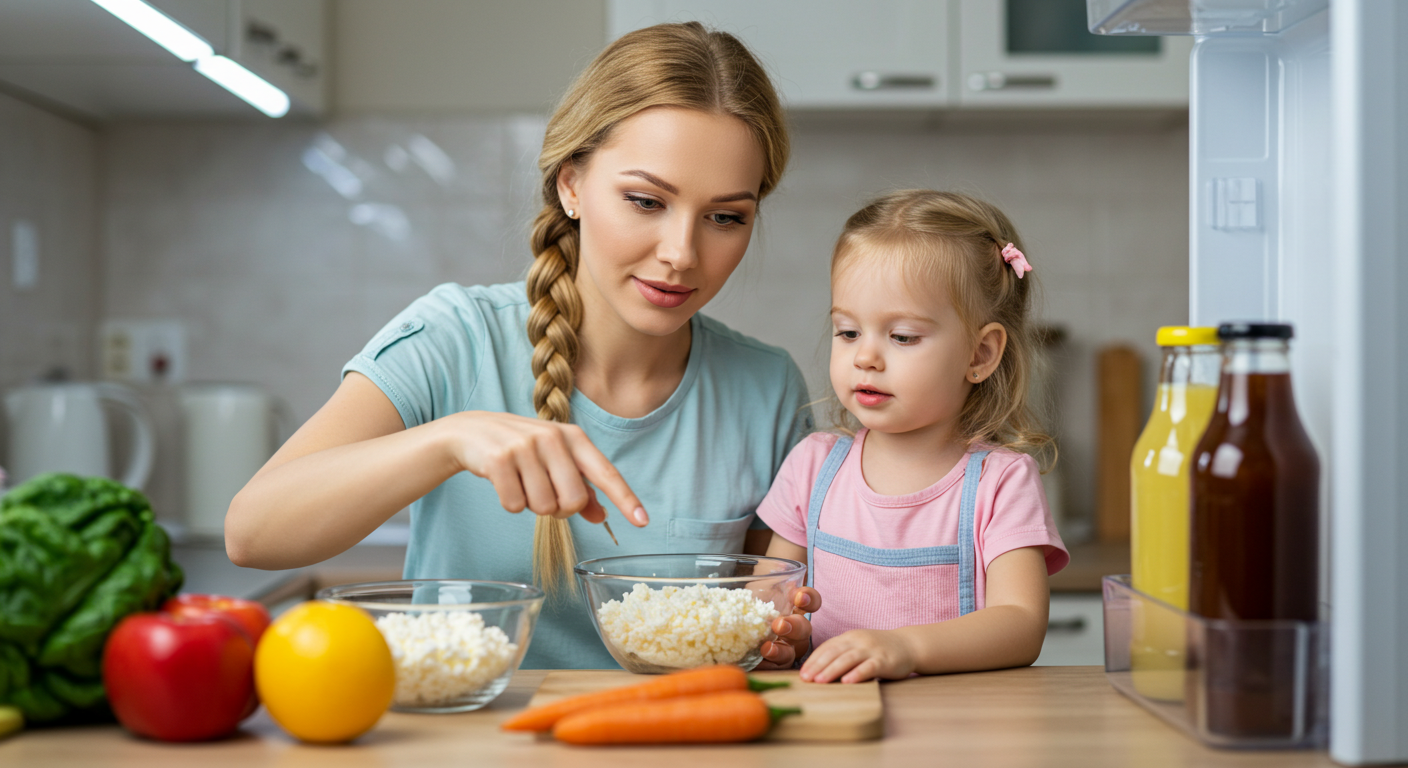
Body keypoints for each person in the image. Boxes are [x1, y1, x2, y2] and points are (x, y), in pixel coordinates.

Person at [225, 22, 821, 669]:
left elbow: (765, 616)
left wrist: (784, 637)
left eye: (725, 217)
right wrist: (450, 440)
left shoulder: (768, 389)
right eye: (646, 201)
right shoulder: (455, 337)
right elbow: (253, 532)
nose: (681, 253)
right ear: (571, 185)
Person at [756, 190, 1069, 684]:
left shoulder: (1001, 482)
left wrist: (904, 647)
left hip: (955, 720)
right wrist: (779, 636)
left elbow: (1021, 624)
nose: (865, 357)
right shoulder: (811, 466)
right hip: (836, 715)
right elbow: (768, 599)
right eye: (848, 332)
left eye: (902, 336)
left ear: (980, 354)